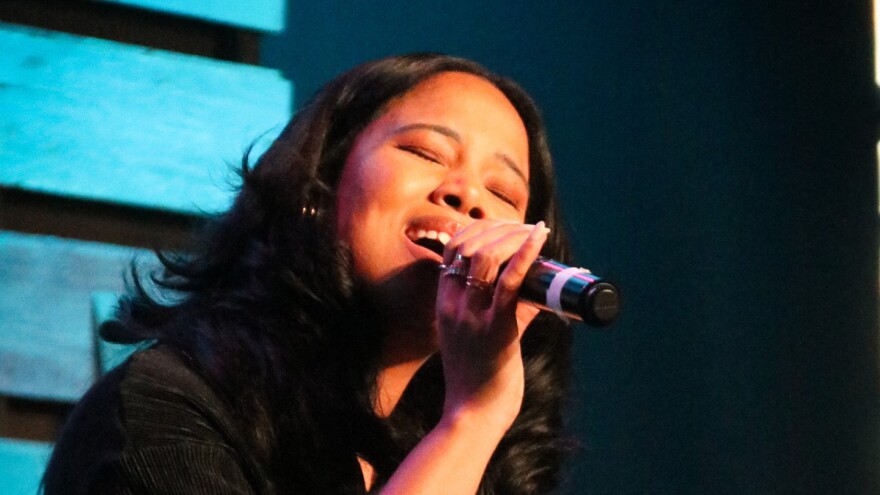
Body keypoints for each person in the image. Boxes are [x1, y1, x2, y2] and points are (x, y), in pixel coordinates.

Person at [42, 53, 576, 494]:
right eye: (425, 152)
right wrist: (472, 418)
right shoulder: (164, 411)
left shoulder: (465, 463)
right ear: (317, 188)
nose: (468, 196)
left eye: (504, 192)